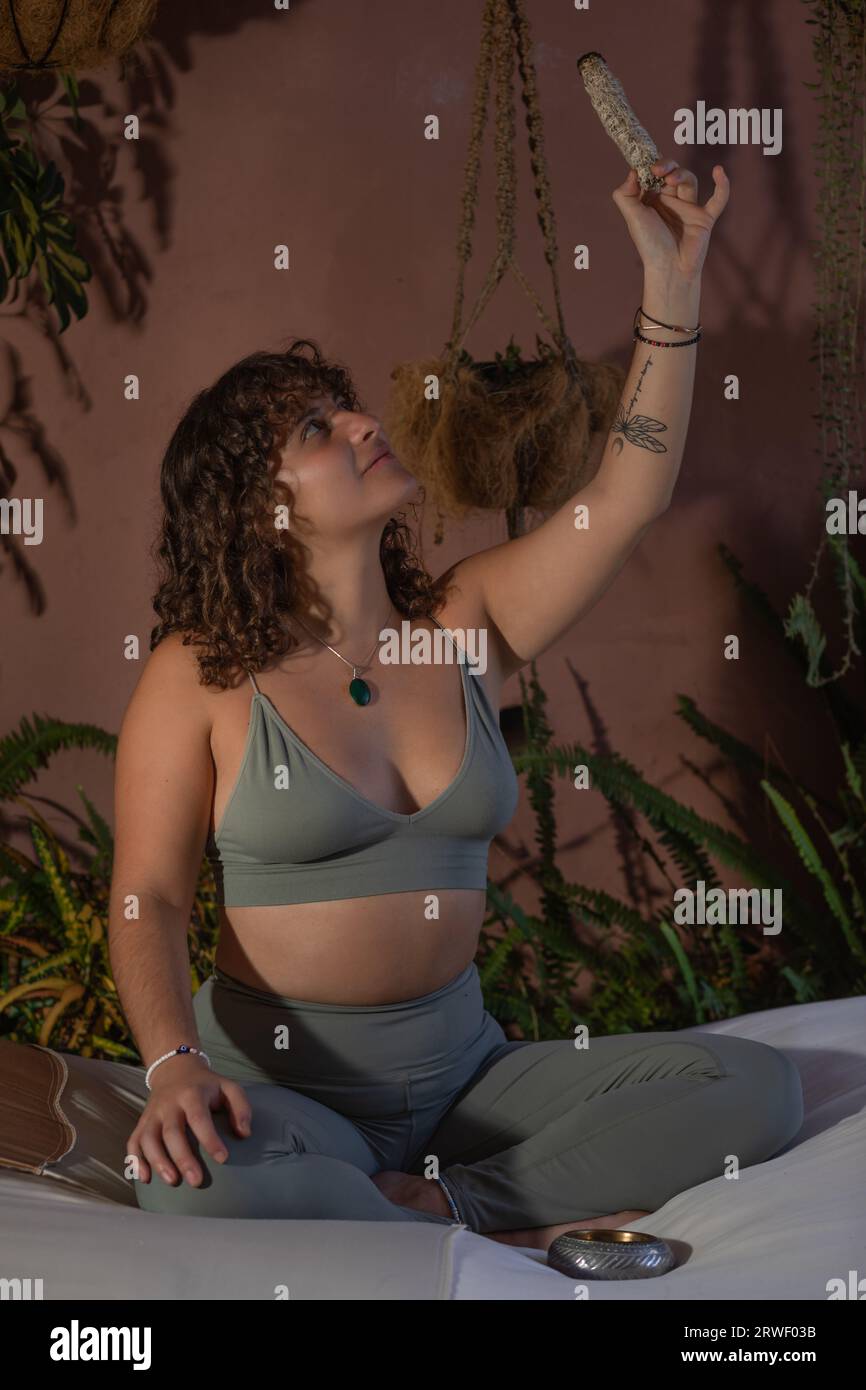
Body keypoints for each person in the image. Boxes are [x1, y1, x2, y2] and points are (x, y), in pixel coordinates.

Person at [111, 156, 803, 1247]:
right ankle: (475, 1207)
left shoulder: (463, 623)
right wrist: (171, 1068)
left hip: (469, 1087)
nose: (356, 424)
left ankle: (451, 1207)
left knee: (753, 1087)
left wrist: (673, 278)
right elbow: (146, 897)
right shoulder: (199, 674)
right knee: (193, 1182)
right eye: (313, 433)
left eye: (342, 408)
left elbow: (628, 492)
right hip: (286, 1096)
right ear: (258, 515)